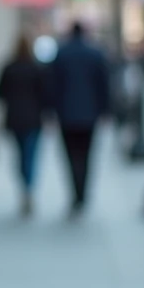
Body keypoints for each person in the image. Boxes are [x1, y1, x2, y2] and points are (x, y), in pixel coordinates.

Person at [51, 21, 111, 215]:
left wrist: (51, 111)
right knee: (86, 156)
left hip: (66, 116)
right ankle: (82, 194)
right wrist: (106, 111)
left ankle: (75, 194)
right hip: (89, 115)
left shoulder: (61, 53)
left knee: (70, 157)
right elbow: (104, 86)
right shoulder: (95, 54)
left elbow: (53, 86)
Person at [0, 34, 52, 217]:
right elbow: (45, 95)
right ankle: (28, 188)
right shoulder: (36, 68)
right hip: (33, 120)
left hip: (14, 120)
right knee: (30, 155)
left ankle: (24, 187)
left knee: (20, 155)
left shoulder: (9, 68)